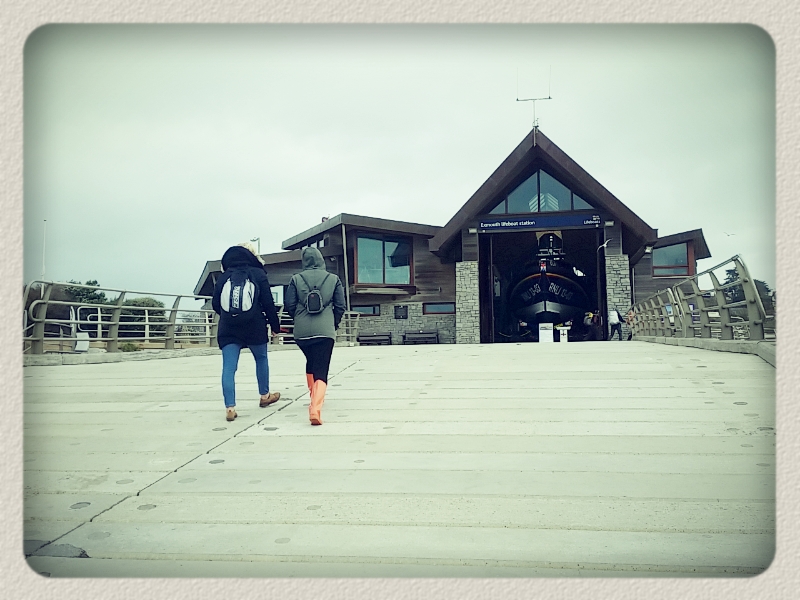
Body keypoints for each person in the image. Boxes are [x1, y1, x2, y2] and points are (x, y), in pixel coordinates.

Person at [212, 243, 284, 422]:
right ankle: (265, 396)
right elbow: (268, 303)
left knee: (229, 367)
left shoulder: (224, 277)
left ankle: (230, 407)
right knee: (261, 359)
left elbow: (216, 304)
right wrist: (275, 326)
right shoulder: (258, 274)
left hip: (228, 328)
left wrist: (230, 316)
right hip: (255, 326)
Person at [284, 246, 346, 426]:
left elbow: (289, 305)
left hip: (301, 332)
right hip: (325, 331)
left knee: (311, 361)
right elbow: (340, 306)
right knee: (321, 368)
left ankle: (313, 395)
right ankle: (315, 409)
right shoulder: (333, 279)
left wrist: (299, 318)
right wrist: (333, 323)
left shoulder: (296, 279)